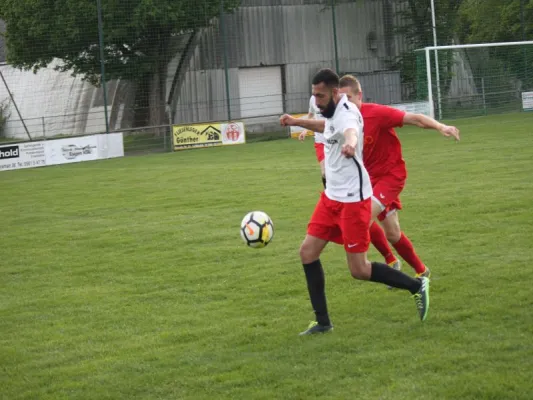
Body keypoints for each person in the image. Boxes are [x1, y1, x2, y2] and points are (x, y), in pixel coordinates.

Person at [279, 68, 430, 336]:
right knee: (307, 252)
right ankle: (323, 322)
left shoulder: (348, 112)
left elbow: (350, 131)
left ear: (335, 93)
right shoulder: (328, 108)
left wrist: (350, 144)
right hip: (331, 198)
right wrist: (296, 121)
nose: (316, 100)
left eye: (321, 95)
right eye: (314, 95)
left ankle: (416, 286)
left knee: (359, 270)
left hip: (353, 201)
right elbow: (326, 126)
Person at [299, 95, 327, 188]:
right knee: (324, 173)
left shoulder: (333, 97)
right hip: (320, 141)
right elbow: (311, 115)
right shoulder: (312, 99)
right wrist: (305, 130)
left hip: (335, 141)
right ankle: (329, 197)